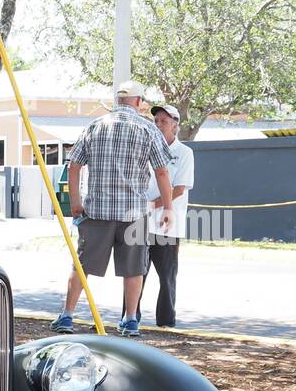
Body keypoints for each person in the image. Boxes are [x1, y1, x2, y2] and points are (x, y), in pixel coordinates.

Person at [52, 80, 174, 338]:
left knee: (81, 266)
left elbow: (74, 165)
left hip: (97, 211)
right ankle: (130, 320)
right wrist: (168, 209)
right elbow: (162, 172)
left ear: (117, 100)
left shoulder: (95, 126)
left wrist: (75, 202)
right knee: (133, 269)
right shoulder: (148, 130)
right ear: (139, 102)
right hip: (133, 214)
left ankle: (67, 315)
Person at [133, 102, 193, 328]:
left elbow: (179, 188)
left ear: (175, 126)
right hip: (141, 222)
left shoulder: (185, 153)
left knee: (166, 276)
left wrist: (153, 205)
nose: (158, 125)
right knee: (136, 273)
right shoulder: (143, 149)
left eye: (164, 121)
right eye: (156, 121)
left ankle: (166, 322)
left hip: (168, 225)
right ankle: (130, 317)